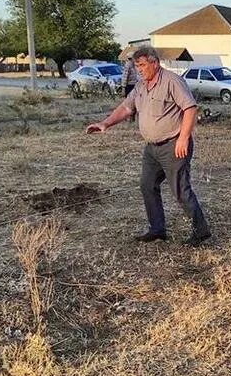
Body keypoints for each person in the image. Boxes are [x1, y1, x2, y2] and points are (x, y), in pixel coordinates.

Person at [85, 45, 211, 246]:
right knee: (147, 185)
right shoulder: (141, 86)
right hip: (152, 148)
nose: (139, 70)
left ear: (155, 63)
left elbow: (190, 108)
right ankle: (157, 229)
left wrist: (183, 138)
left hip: (173, 145)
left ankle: (200, 230)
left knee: (180, 189)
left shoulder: (172, 81)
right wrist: (105, 123)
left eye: (142, 65)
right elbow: (126, 108)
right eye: (137, 66)